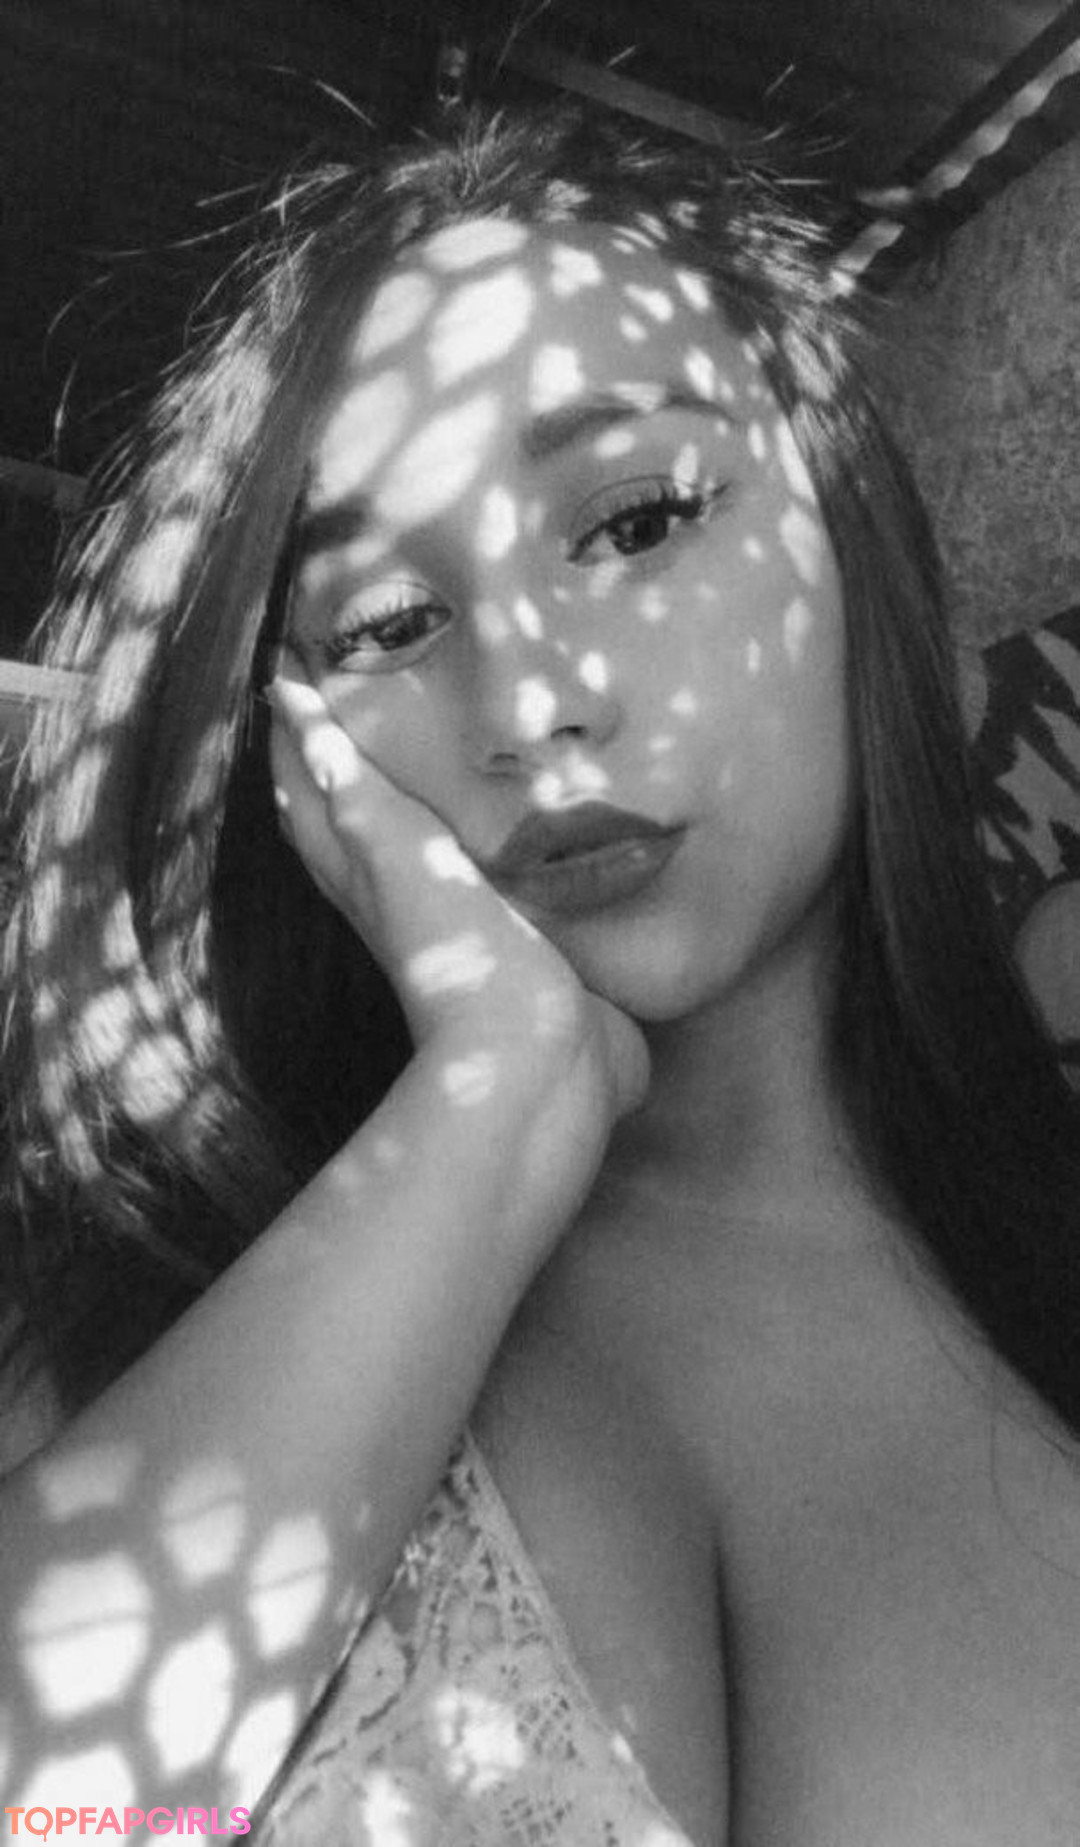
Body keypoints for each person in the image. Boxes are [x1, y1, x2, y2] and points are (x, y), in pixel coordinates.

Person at [1, 102, 1079, 1847]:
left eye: (637, 521)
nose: (530, 703)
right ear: (295, 745)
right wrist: (495, 1102)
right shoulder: (128, 1287)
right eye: (387, 624)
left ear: (844, 528)